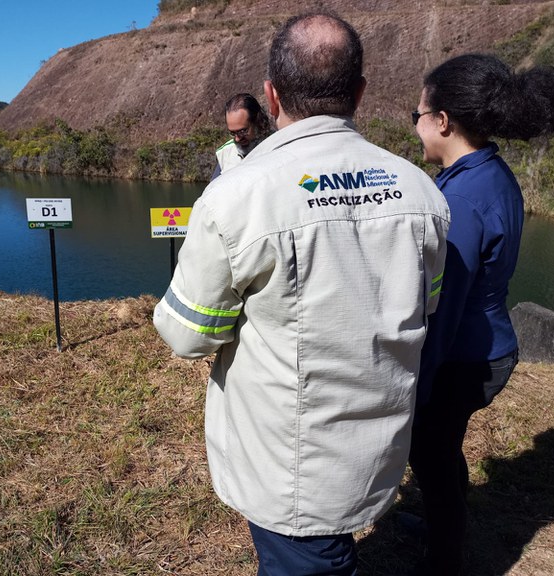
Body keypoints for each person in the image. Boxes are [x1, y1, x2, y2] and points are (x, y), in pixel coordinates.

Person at [153, 12, 450, 576]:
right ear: (359, 93)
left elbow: (189, 334)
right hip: (377, 443)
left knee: (309, 560)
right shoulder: (421, 191)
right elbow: (426, 303)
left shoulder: (235, 198)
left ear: (271, 94)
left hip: (287, 460)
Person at [407, 54, 554, 576]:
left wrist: (419, 379)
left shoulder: (462, 198)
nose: (414, 126)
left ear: (443, 121)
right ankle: (448, 520)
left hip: (464, 354)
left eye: (417, 115)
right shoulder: (490, 173)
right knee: (444, 445)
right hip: (490, 345)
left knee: (430, 455)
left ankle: (444, 559)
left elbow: (446, 308)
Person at [210, 92, 272, 180]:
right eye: (233, 133)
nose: (237, 138)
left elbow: (299, 184)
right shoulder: (225, 154)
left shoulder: (280, 144)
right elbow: (213, 191)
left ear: (258, 122)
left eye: (242, 131)